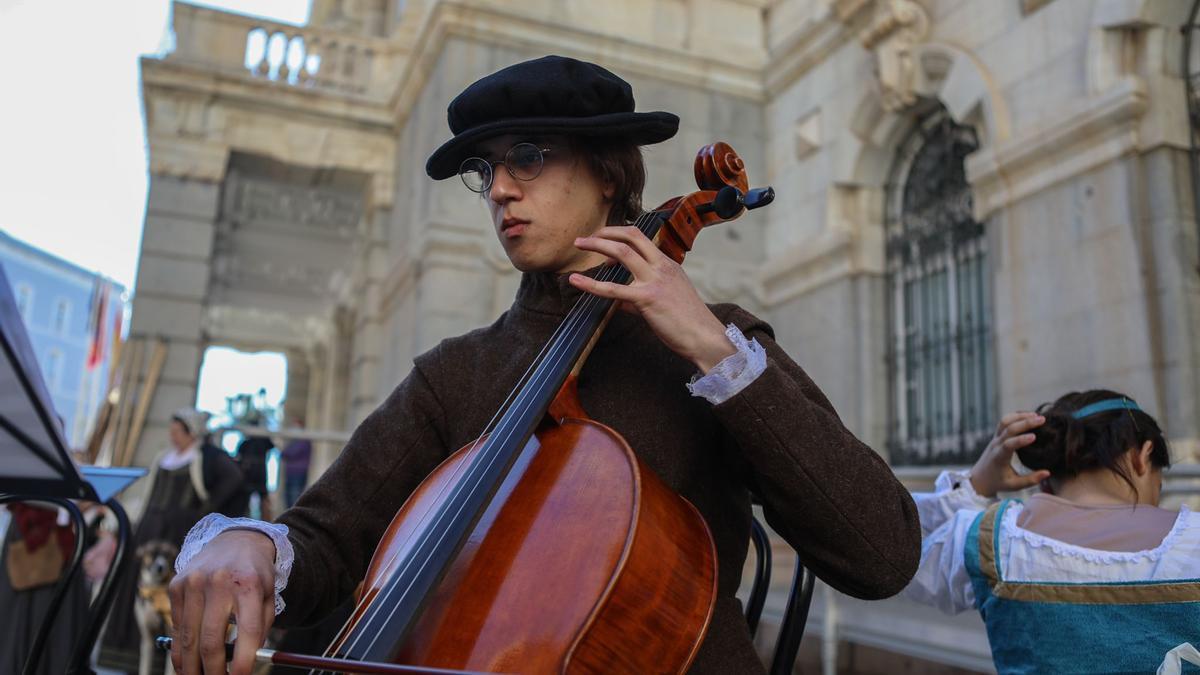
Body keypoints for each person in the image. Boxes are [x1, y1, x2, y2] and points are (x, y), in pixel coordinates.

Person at [168, 55, 922, 675]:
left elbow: (880, 553)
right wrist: (253, 545)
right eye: (485, 169)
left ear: (606, 174)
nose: (498, 188)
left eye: (527, 156)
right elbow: (328, 537)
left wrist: (714, 351)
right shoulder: (456, 373)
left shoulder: (715, 342)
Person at [904, 389, 1200, 673]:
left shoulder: (989, 540)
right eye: (1158, 487)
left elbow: (901, 560)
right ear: (1143, 456)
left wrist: (978, 484)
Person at [98, 408, 245, 673]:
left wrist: (205, 511)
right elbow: (151, 494)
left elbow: (234, 478)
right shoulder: (163, 458)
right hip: (150, 531)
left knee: (172, 593)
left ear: (192, 432)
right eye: (172, 431)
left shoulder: (205, 457)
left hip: (178, 534)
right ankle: (131, 659)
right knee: (140, 592)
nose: (173, 436)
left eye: (178, 431)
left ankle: (169, 661)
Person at [278, 419, 312, 509]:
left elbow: (291, 453)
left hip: (298, 474)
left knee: (294, 498)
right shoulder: (294, 441)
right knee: (288, 498)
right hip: (291, 473)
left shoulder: (303, 441)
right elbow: (283, 453)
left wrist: (286, 452)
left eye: (296, 426)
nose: (293, 429)